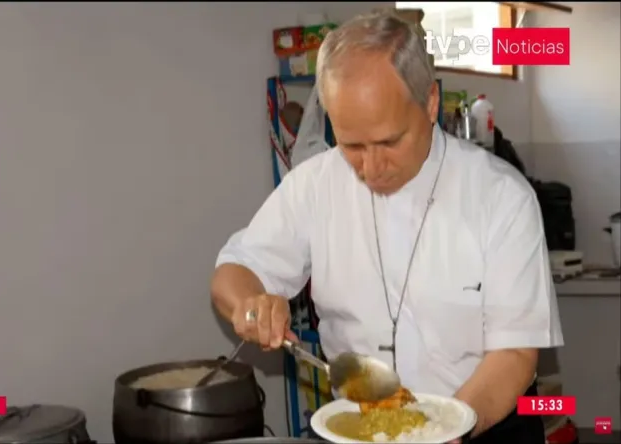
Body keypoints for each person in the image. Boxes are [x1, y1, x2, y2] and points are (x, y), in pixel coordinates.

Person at [210, 10, 563, 444]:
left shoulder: (501, 196)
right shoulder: (315, 185)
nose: (372, 167)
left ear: (430, 103)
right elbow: (234, 271)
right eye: (352, 145)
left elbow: (514, 354)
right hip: (362, 426)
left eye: (390, 142)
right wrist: (251, 305)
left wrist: (440, 432)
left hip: (482, 423)